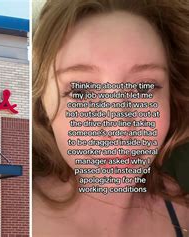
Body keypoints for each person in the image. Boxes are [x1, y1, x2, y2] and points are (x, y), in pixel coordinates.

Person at [32, 0, 189, 236]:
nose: (118, 126)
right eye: (81, 91)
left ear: (171, 98)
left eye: (143, 89)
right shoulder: (22, 213)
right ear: (42, 107)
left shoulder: (180, 208)